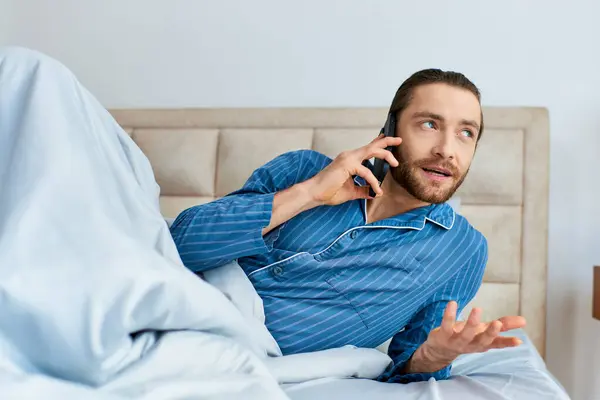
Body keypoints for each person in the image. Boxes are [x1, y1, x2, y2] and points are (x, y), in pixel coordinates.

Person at [169, 69, 527, 383]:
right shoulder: (301, 169)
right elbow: (180, 245)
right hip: (179, 312)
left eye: (466, 133)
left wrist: (437, 355)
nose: (447, 150)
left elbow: (411, 363)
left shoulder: (462, 250)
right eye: (430, 124)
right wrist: (309, 193)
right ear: (389, 130)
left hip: (231, 364)